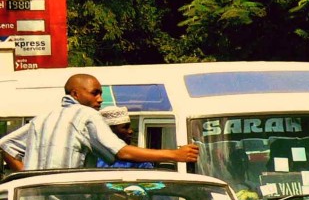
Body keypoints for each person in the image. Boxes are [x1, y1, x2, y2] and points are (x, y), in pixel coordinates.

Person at [0, 73, 198, 171]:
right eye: (94, 93)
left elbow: (6, 145)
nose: (100, 100)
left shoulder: (42, 119)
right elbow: (122, 152)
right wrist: (174, 154)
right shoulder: (86, 115)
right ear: (75, 94)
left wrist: (29, 178)